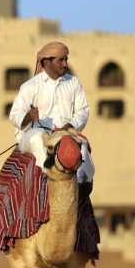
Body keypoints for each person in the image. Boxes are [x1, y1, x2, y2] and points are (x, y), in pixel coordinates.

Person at [8, 41, 91, 171]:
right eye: (61, 60)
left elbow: (83, 110)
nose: (65, 64)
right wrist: (28, 117)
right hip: (35, 134)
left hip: (65, 132)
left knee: (83, 145)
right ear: (46, 62)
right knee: (38, 140)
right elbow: (14, 115)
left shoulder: (73, 83)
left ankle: (81, 182)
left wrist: (70, 125)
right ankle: (45, 176)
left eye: (66, 59)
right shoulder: (30, 86)